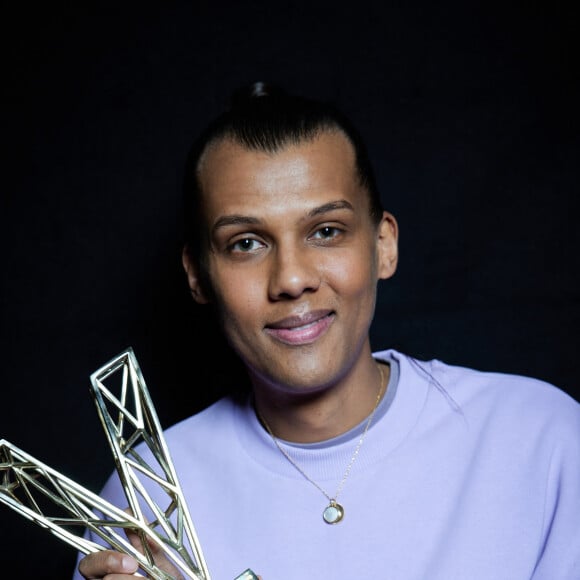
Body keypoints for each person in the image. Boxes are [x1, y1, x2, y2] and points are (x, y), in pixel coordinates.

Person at [75, 82, 580, 580]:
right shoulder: (147, 492)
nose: (292, 280)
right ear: (197, 275)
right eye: (246, 243)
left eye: (325, 232)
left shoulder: (541, 439)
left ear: (383, 246)